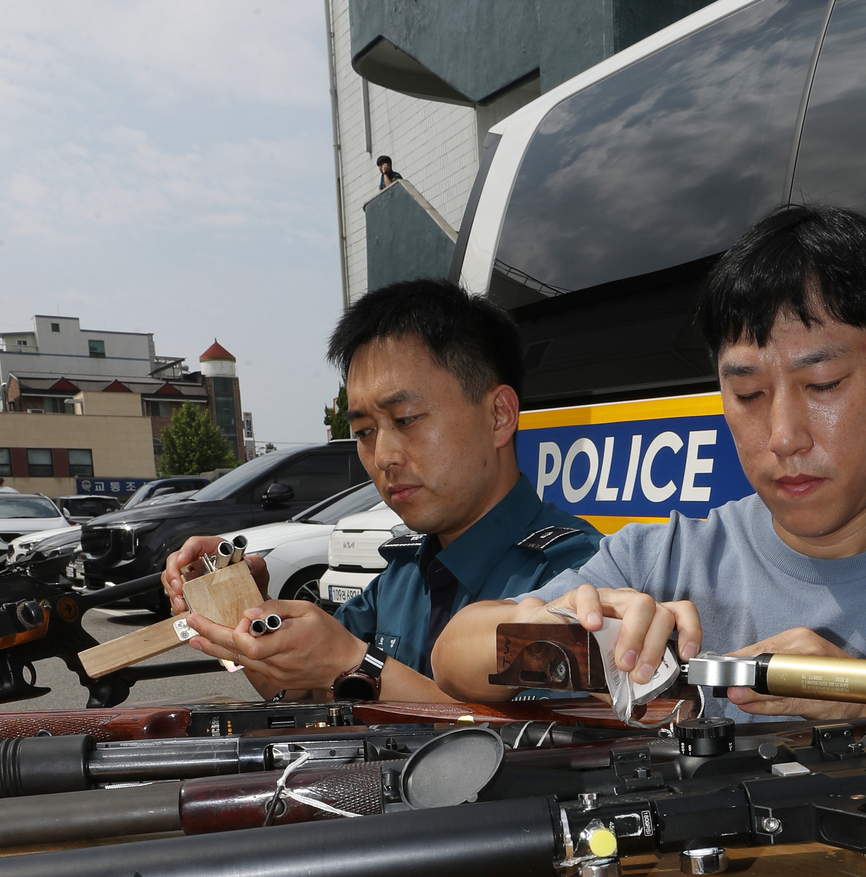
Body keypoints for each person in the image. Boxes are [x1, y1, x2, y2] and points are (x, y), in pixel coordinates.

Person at [432, 205, 866, 721]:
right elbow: (454, 657)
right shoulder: (666, 563)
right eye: (748, 394)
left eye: (824, 385)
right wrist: (568, 642)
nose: (782, 436)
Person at [163, 279, 600, 702]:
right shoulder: (408, 573)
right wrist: (244, 612)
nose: (384, 456)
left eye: (406, 419)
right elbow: (299, 688)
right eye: (364, 430)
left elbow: (556, 748)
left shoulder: (579, 576)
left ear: (500, 416)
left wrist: (359, 665)